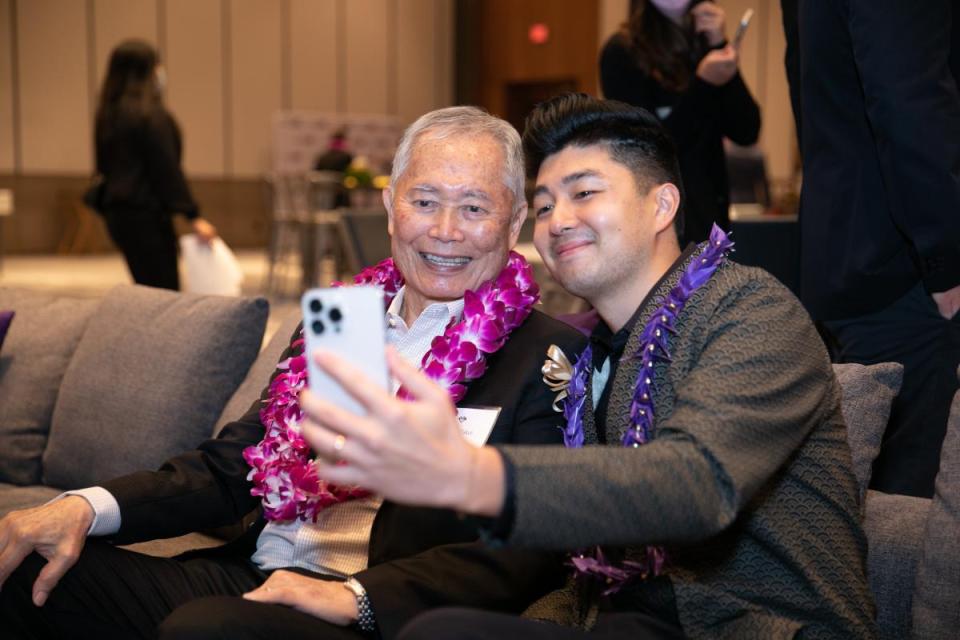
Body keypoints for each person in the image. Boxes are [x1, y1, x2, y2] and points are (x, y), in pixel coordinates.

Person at [297, 94, 876, 639]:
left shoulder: (751, 311)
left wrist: (468, 474)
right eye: (545, 204)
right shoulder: (592, 354)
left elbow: (700, 482)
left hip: (758, 626)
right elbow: (584, 568)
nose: (558, 220)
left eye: (584, 193)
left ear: (662, 205)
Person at [0, 107, 586, 639]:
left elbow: (525, 549)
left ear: (512, 227)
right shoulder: (340, 322)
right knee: (22, 563)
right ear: (389, 209)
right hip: (256, 576)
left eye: (475, 208)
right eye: (425, 201)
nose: (445, 230)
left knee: (205, 631)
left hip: (370, 610)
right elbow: (234, 467)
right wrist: (84, 506)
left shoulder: (545, 356)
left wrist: (355, 598)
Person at [783, 0, 960, 497]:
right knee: (916, 516)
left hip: (856, 258)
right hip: (909, 271)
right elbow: (911, 101)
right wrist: (946, 260)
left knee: (866, 496)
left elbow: (808, 94)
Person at [599, 0, 760, 244]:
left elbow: (747, 130)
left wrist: (719, 43)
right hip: (660, 226)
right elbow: (647, 148)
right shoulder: (622, 52)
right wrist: (703, 85)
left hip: (712, 222)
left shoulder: (704, 46)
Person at [93, 39, 217, 290]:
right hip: (147, 216)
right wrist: (193, 216)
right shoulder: (150, 115)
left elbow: (104, 166)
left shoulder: (108, 115)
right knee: (164, 292)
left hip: (117, 215)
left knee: (145, 287)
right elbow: (166, 170)